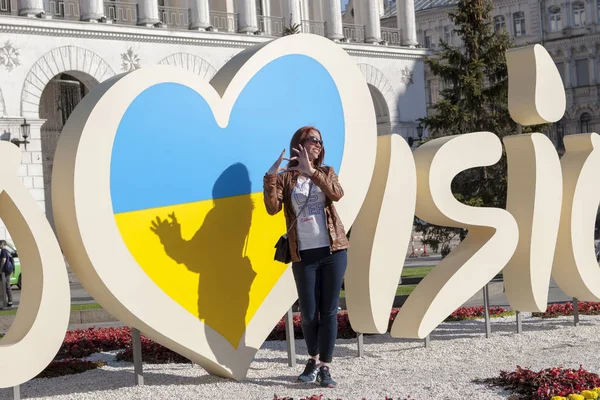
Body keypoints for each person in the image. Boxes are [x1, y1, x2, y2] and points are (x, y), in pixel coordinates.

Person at [263, 126, 349, 388]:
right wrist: (270, 176)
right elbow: (272, 208)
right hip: (303, 254)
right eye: (313, 140)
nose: (318, 145)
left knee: (329, 310)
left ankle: (325, 366)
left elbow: (336, 193)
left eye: (321, 142)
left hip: (333, 250)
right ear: (299, 143)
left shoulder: (325, 172)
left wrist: (312, 173)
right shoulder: (286, 178)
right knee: (310, 313)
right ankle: (312, 360)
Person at [0, 240, 14, 308]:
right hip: (9, 270)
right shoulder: (8, 251)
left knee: (5, 286)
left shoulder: (3, 251)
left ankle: (7, 302)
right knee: (7, 285)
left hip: (5, 271)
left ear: (2, 244)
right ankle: (10, 301)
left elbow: (3, 260)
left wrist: (0, 269)